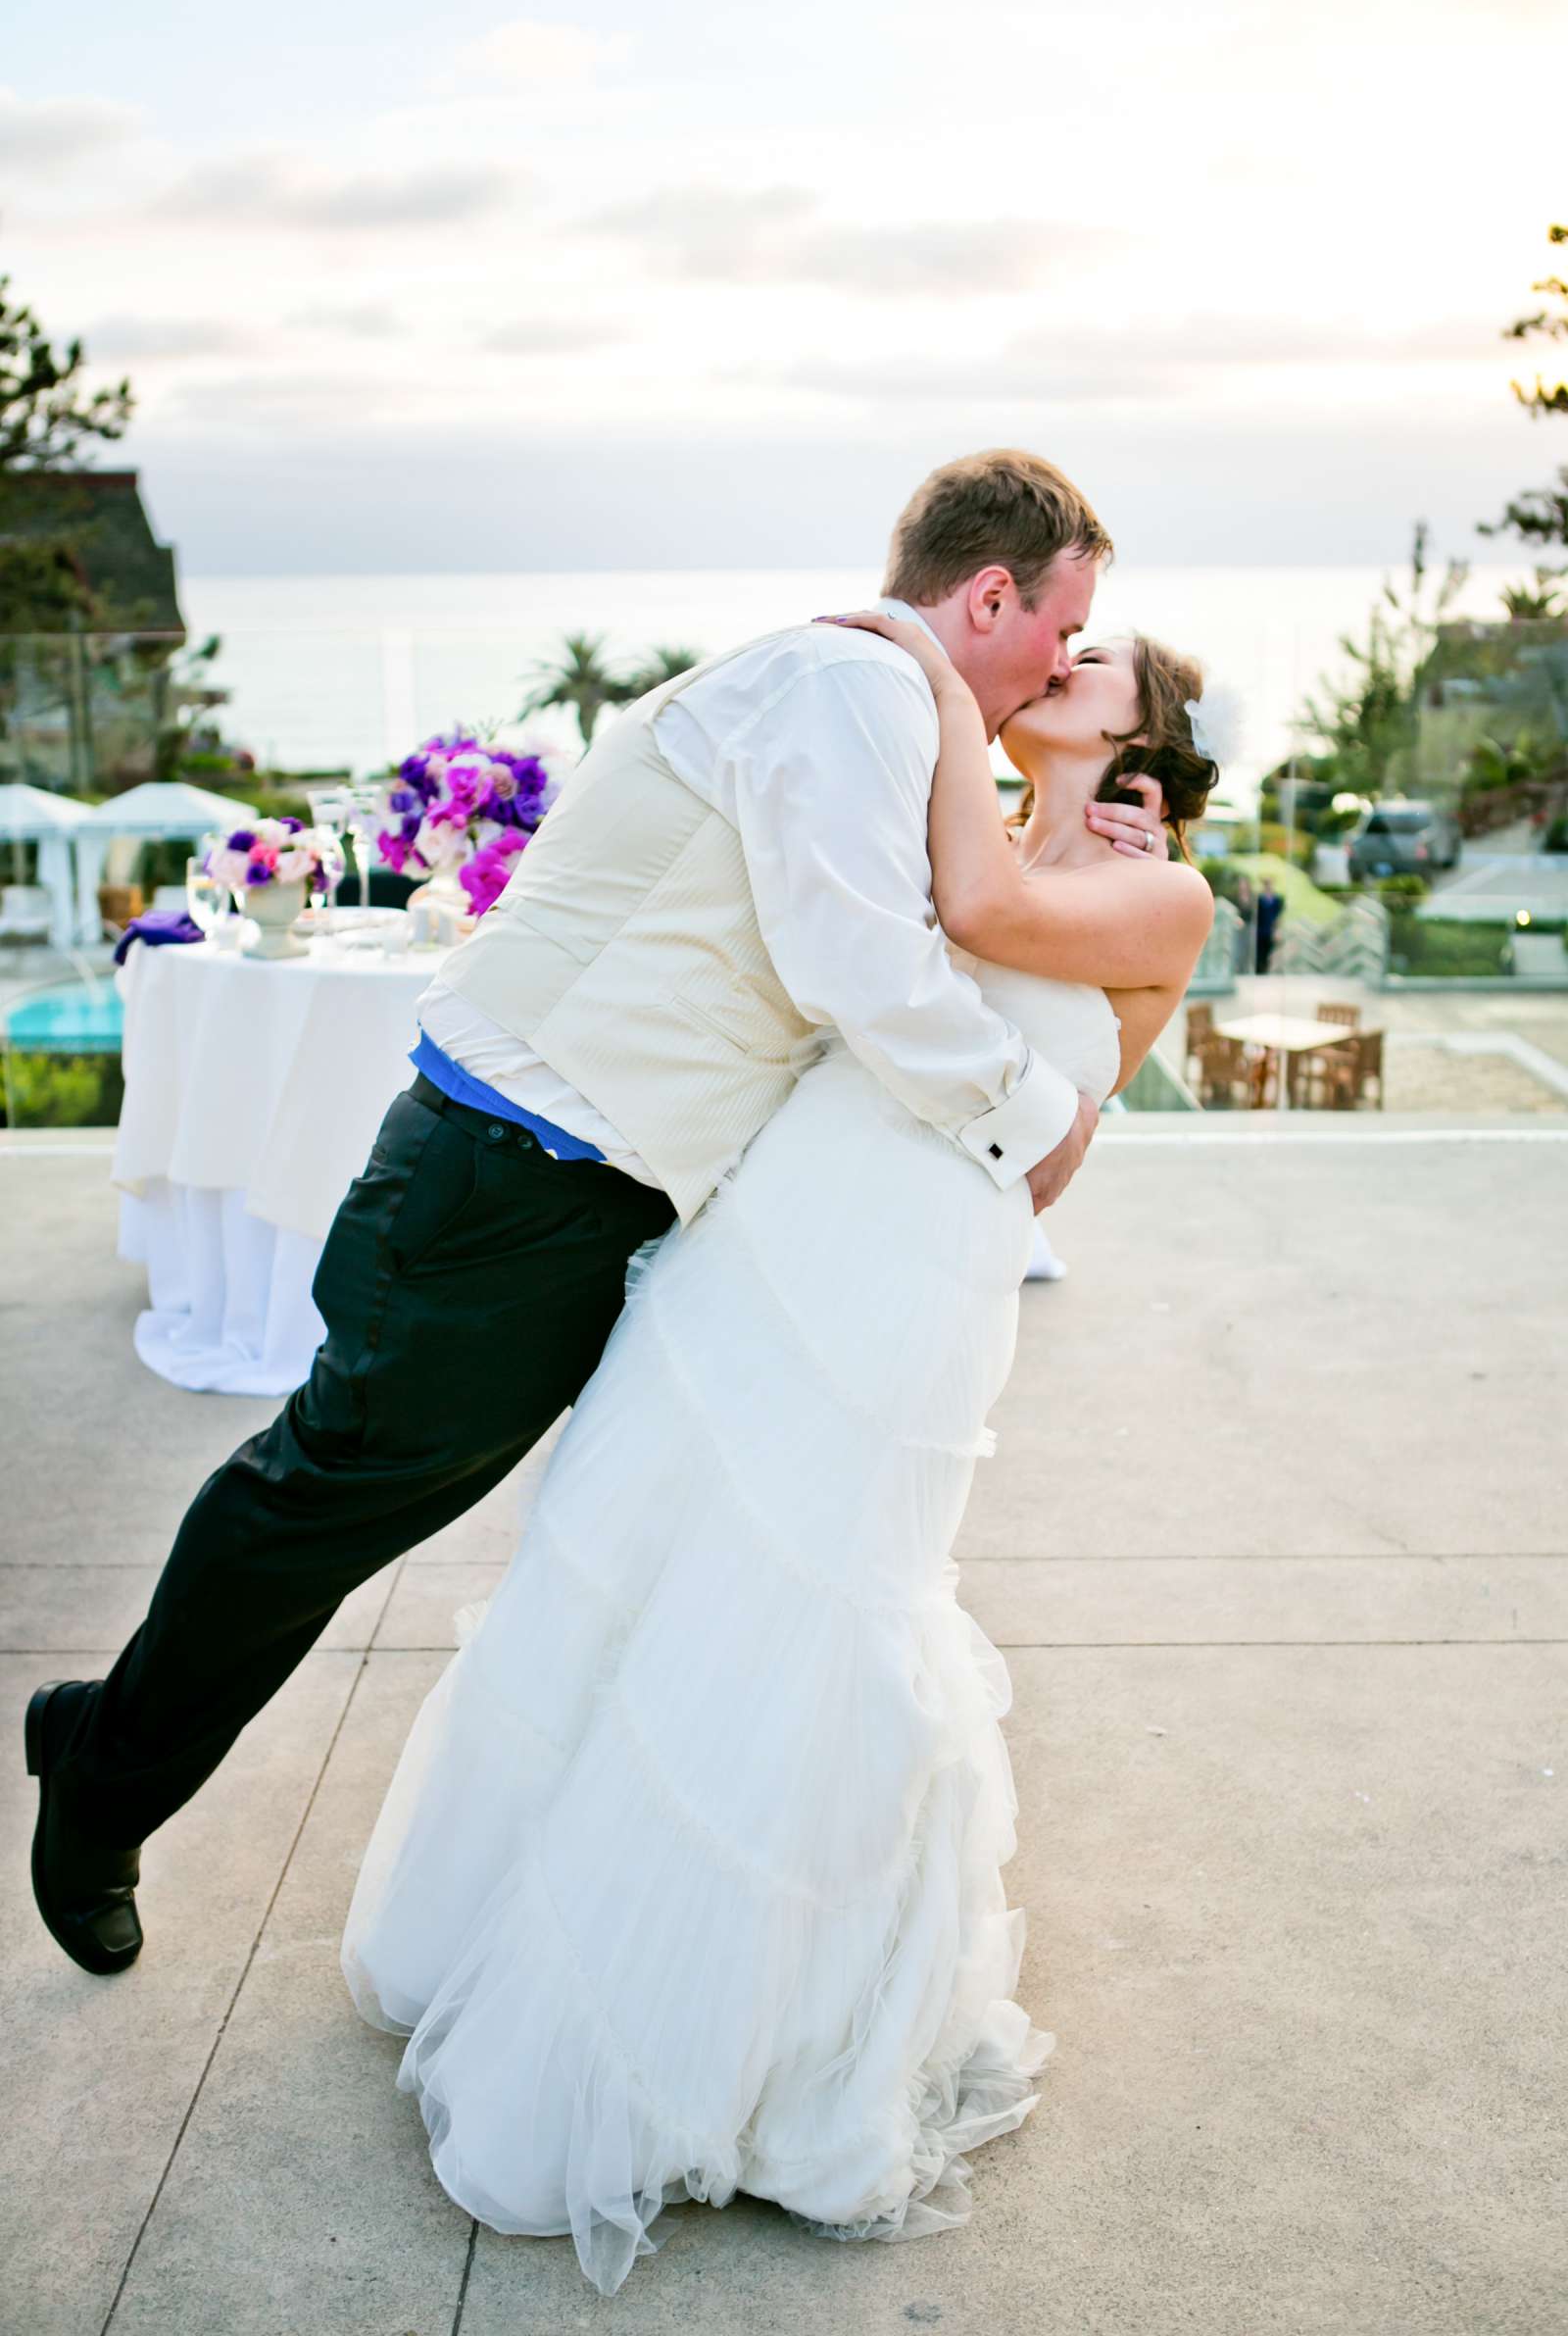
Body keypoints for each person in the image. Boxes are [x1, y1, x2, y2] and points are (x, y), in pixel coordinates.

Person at [26, 450, 1163, 1985]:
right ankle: (99, 1781)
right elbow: (859, 968)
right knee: (326, 1503)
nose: (1061, 656)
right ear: (986, 594)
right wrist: (1044, 1124)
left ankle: (104, 1738)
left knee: (414, 1506)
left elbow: (891, 945)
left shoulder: (876, 702)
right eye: (1061, 623)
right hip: (504, 1184)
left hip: (580, 1190)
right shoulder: (856, 696)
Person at [337, 610, 1215, 2293]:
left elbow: (1007, 995)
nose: (1053, 664)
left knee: (813, 1606)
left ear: (1146, 726)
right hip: (768, 1236)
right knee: (650, 1557)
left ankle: (763, 2048)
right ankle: (522, 1943)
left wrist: (917, 655)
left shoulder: (1146, 888)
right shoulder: (995, 831)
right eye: (1054, 638)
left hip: (902, 1284)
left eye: (1089, 660)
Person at [1254, 871, 1284, 974]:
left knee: (1268, 952)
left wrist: (1277, 930)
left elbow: (1278, 917)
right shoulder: (1259, 898)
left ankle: (1265, 970)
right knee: (1259, 952)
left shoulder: (1277, 899)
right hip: (1260, 930)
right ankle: (1259, 970)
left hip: (1270, 930)